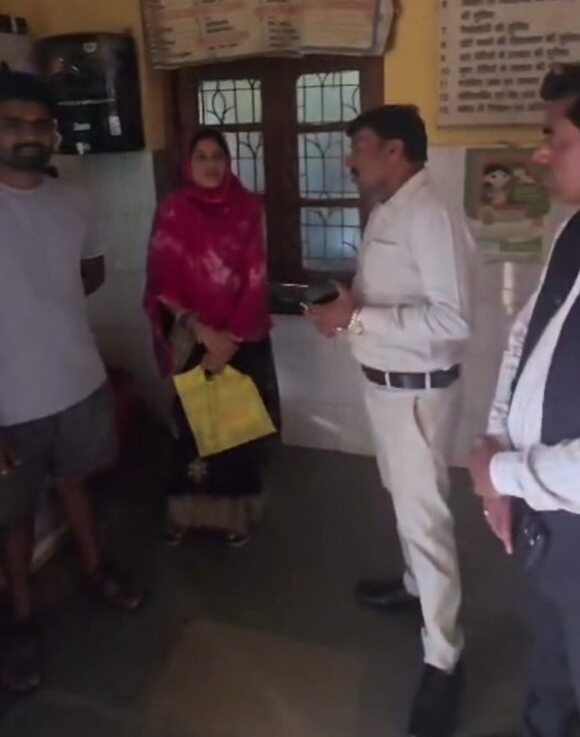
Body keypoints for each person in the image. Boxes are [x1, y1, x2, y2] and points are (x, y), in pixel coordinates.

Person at [309, 104, 475, 737]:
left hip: (416, 396)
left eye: (360, 148)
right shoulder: (389, 209)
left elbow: (453, 322)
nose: (351, 161)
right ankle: (413, 588)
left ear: (395, 151)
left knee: (425, 523)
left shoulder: (430, 214)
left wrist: (357, 319)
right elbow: (386, 299)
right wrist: (345, 311)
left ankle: (445, 658)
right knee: (407, 508)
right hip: (387, 390)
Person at [0, 70, 143, 694]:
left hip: (78, 381)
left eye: (39, 124)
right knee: (14, 517)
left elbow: (90, 273)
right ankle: (21, 619)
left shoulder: (76, 202)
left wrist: (44, 313)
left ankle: (94, 569)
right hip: (9, 404)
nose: (28, 135)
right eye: (13, 123)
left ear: (54, 133)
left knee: (77, 484)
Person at [469, 63, 580, 737]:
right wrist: (496, 455)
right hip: (544, 508)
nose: (541, 156)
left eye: (557, 140)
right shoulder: (572, 234)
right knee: (549, 659)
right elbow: (524, 338)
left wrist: (504, 473)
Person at [144, 126, 280, 548]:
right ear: (188, 164)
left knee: (234, 433)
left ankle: (236, 516)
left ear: (228, 161)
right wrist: (203, 331)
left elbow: (255, 277)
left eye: (217, 156)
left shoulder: (247, 207)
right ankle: (183, 515)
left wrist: (230, 339)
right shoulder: (171, 211)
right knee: (190, 433)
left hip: (242, 337)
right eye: (200, 156)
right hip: (192, 338)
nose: (210, 164)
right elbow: (161, 281)